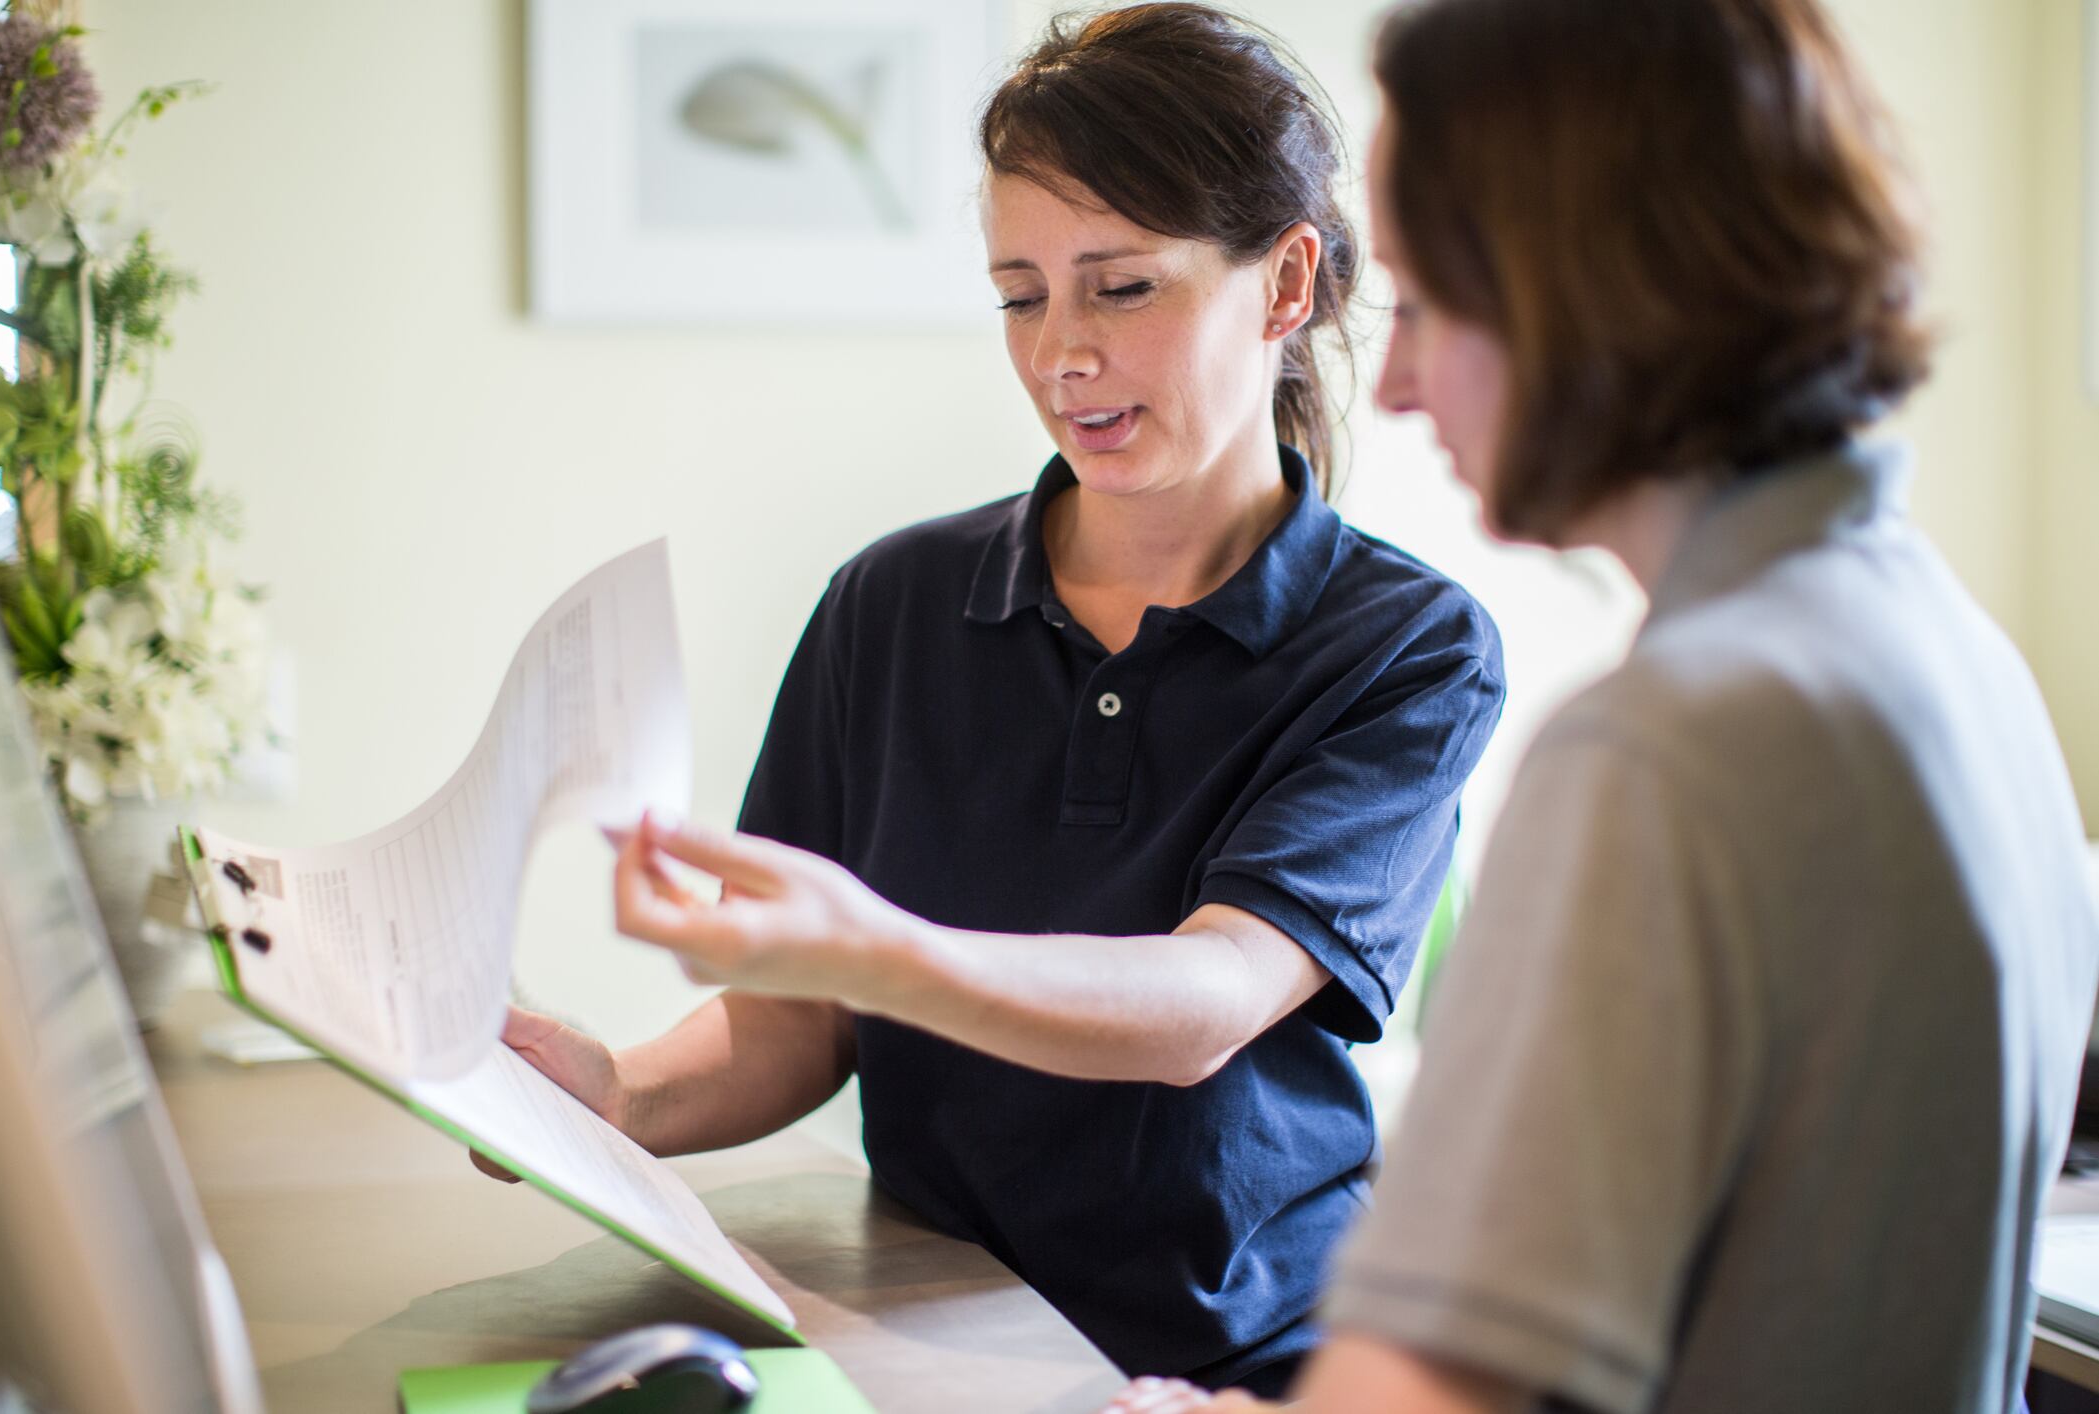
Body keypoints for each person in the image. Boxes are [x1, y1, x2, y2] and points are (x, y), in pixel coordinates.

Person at [478, 4, 1504, 1395]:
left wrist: (875, 945)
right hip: (920, 1312)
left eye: (1120, 287)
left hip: (1232, 1364)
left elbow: (1207, 995)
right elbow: (798, 1015)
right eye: (1020, 294)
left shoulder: (1407, 649)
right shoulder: (890, 603)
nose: (1058, 354)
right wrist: (621, 1097)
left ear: (1282, 285)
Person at [1101, 0, 2099, 1411]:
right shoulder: (1955, 657)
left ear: (1589, 286)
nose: (1385, 386)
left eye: (1434, 304)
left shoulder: (1668, 745)